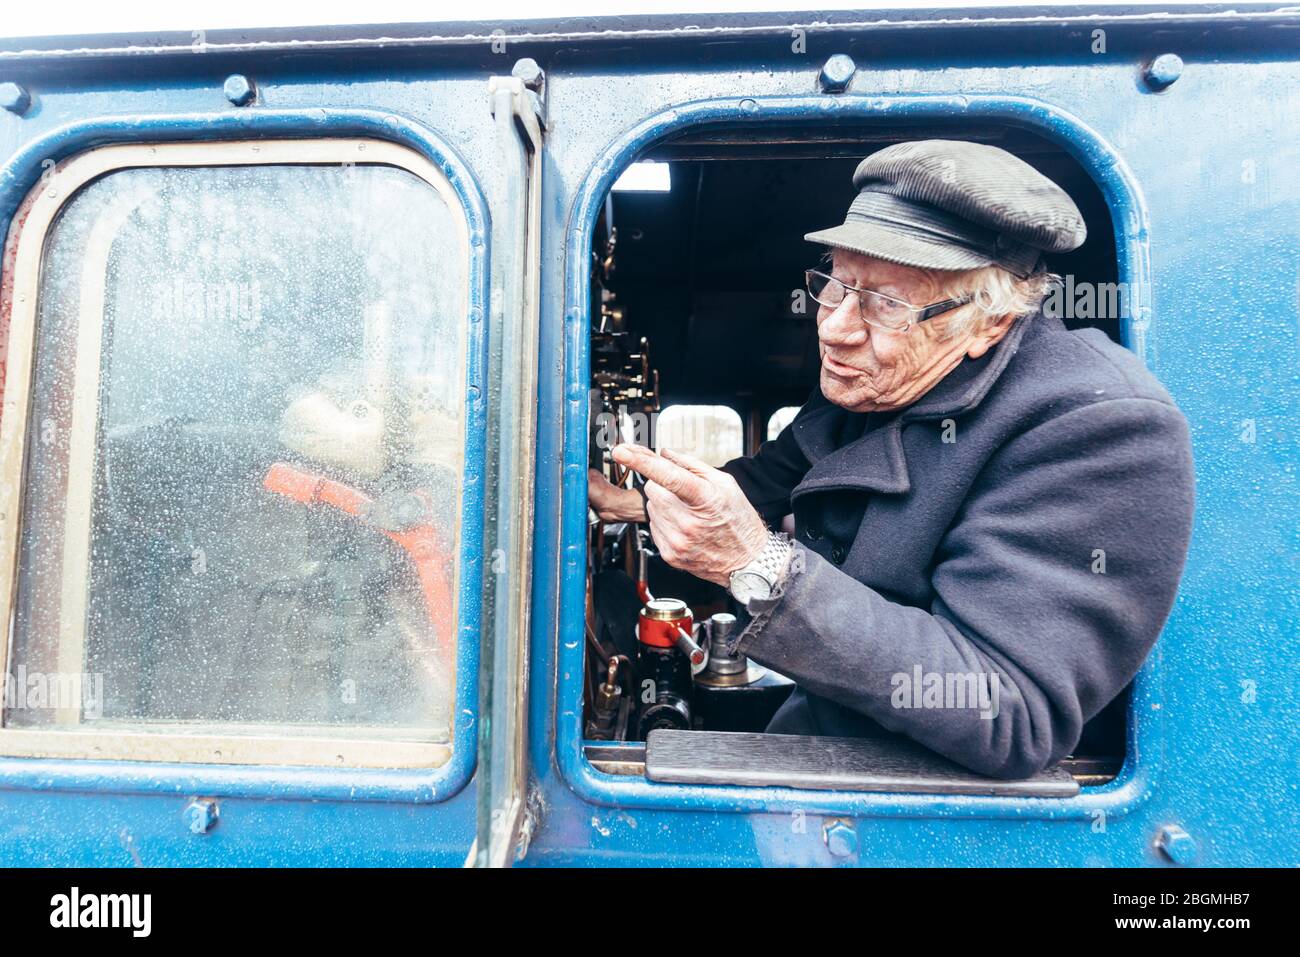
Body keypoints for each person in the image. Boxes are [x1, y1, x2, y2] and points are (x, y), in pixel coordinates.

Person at [588, 139, 1195, 778]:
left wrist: (755, 565)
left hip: (932, 808)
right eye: (835, 285)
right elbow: (769, 477)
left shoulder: (1096, 424)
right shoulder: (877, 384)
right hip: (826, 742)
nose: (834, 327)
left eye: (886, 305)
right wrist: (628, 502)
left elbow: (1009, 707)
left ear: (989, 321)